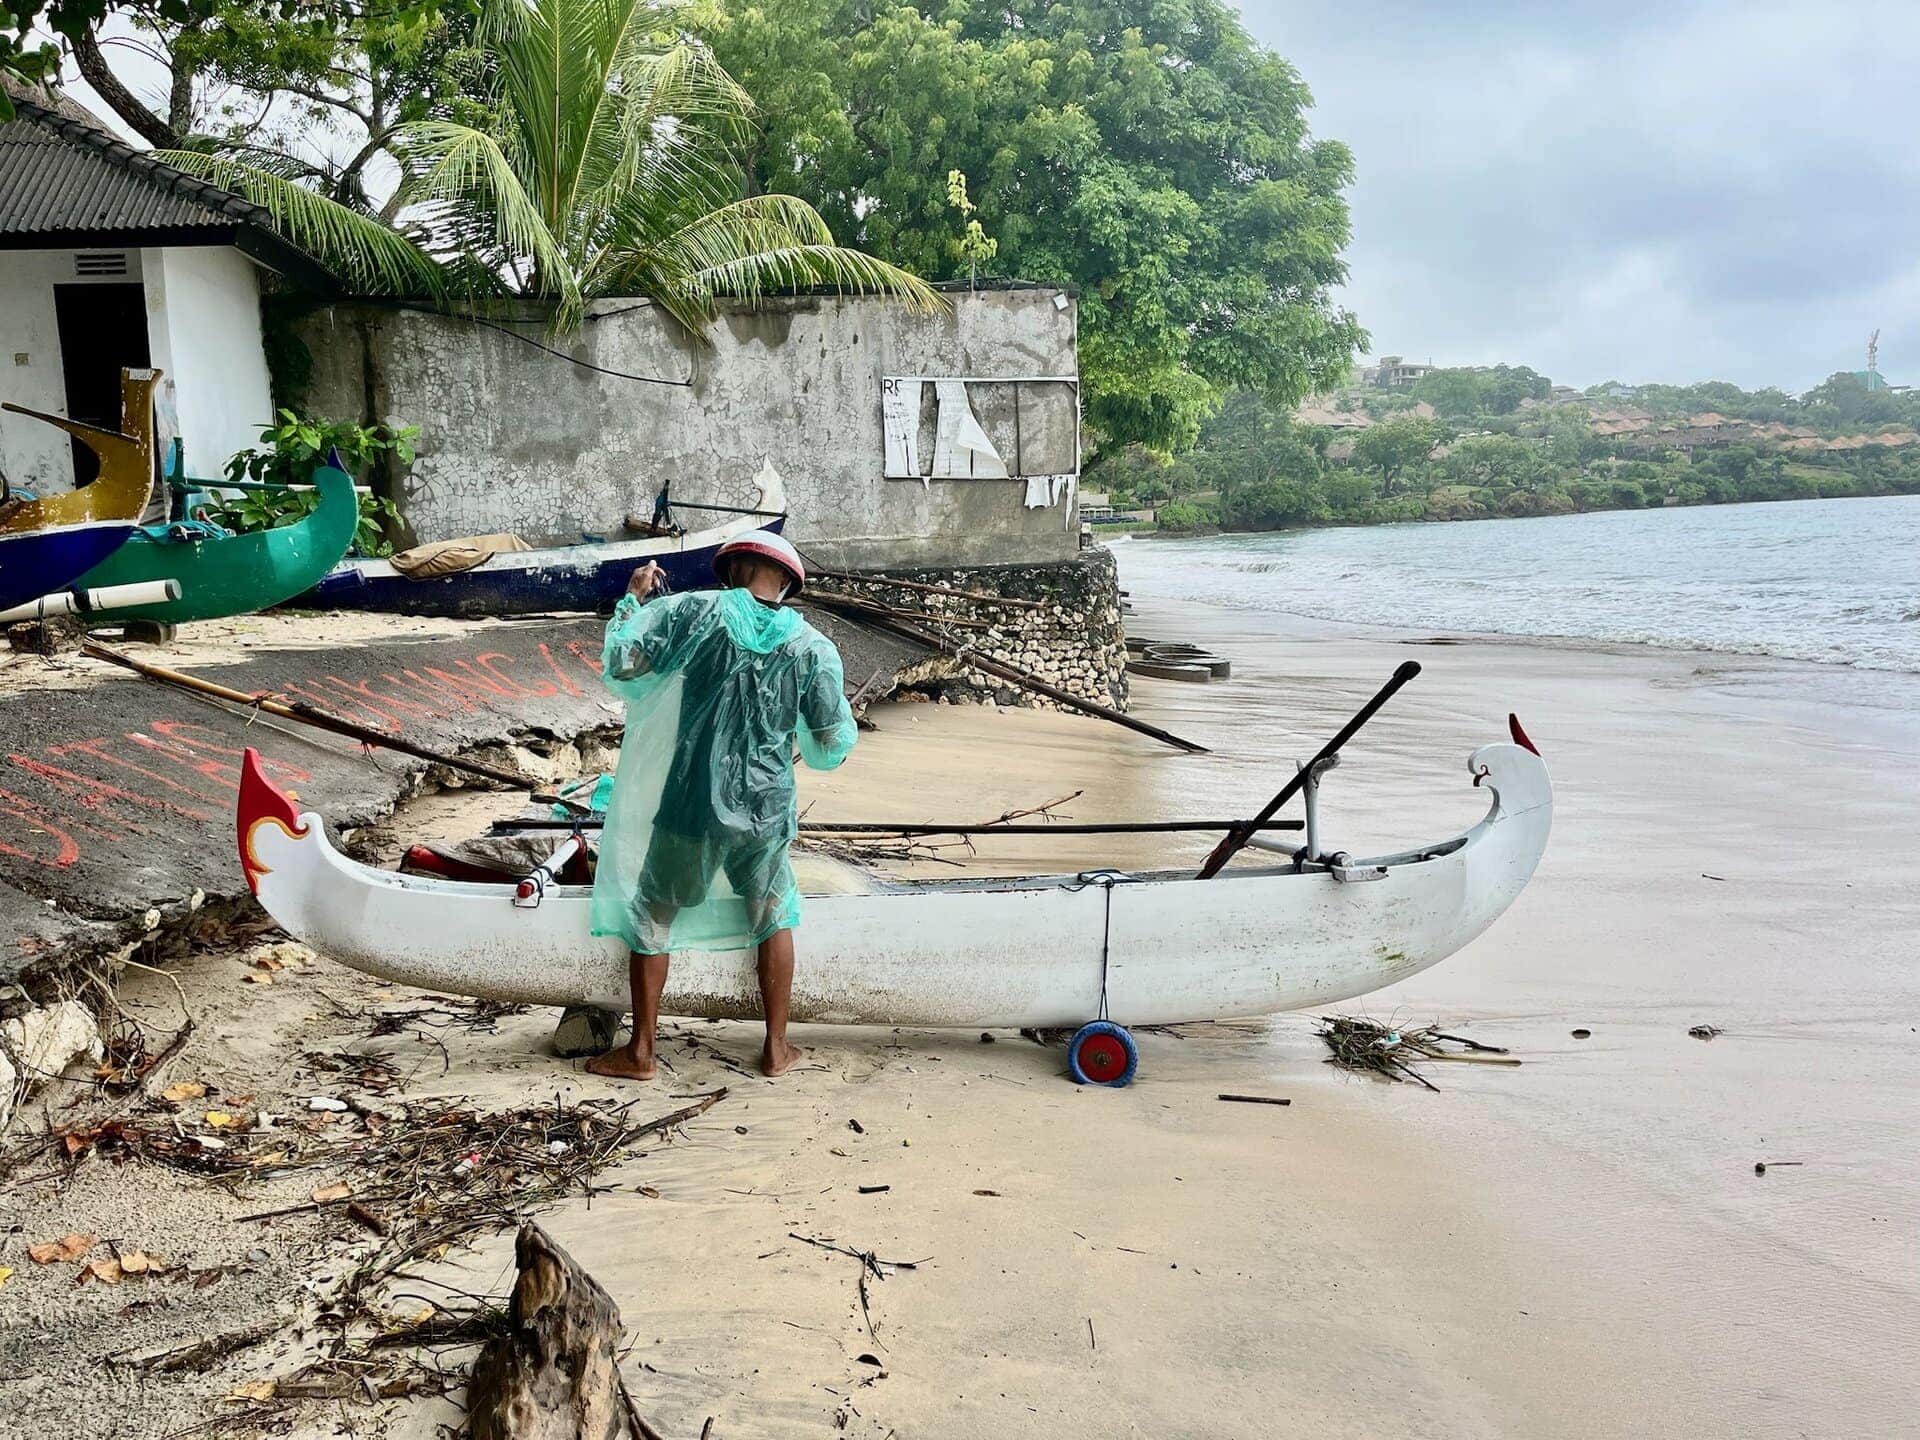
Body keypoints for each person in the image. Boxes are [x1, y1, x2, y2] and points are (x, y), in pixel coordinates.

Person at [585, 532, 857, 1080]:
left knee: (654, 914)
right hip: (764, 810)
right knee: (772, 917)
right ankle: (776, 1049)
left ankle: (641, 1052)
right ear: (784, 582)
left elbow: (624, 664)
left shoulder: (693, 614)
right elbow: (830, 744)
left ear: (732, 569)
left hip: (690, 804)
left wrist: (634, 600)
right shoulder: (811, 648)